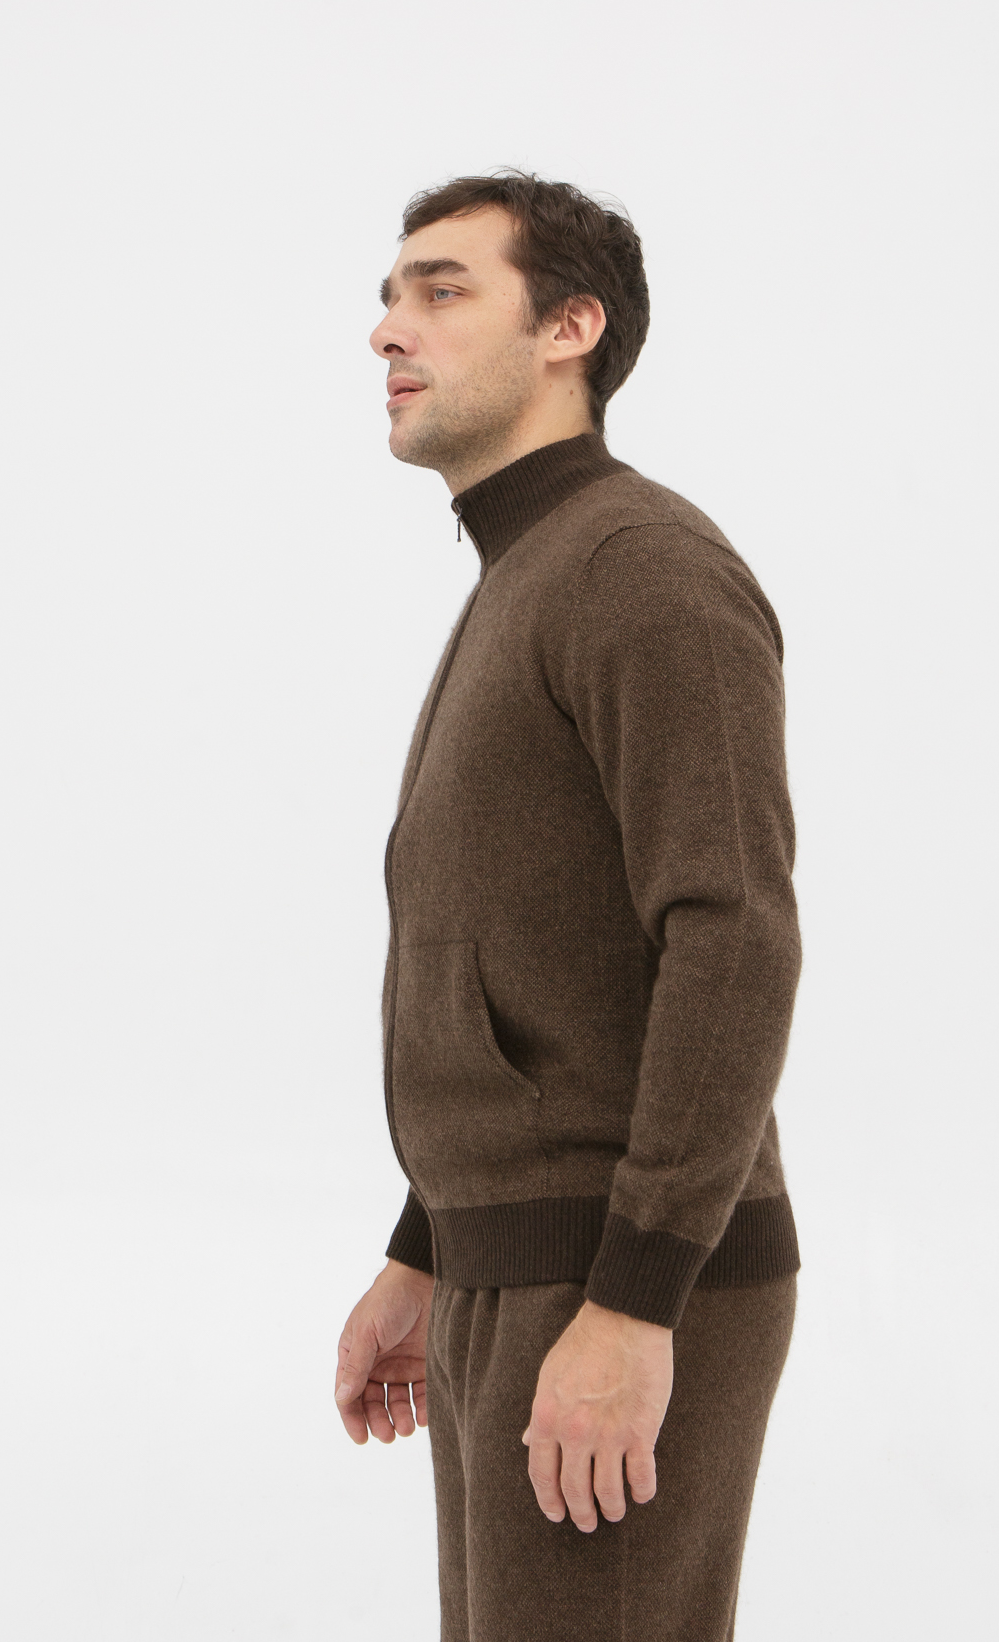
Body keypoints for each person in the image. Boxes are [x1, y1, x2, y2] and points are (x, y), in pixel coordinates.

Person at [333, 171, 803, 1641]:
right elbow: (534, 961)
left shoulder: (640, 569)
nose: (388, 329)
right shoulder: (527, 575)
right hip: (518, 1261)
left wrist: (638, 1298)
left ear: (570, 328)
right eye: (390, 296)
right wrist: (428, 1242)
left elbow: (733, 933)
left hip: (613, 1271)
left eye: (443, 290)